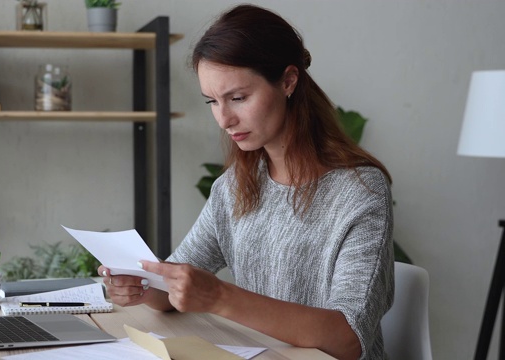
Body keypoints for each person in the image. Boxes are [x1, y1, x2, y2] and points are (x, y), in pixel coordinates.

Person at [98, 4, 394, 360]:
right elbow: (174, 287)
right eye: (212, 101)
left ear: (288, 81)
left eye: (238, 98)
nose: (224, 119)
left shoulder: (360, 192)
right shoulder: (235, 186)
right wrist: (142, 287)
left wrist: (221, 297)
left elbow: (349, 338)